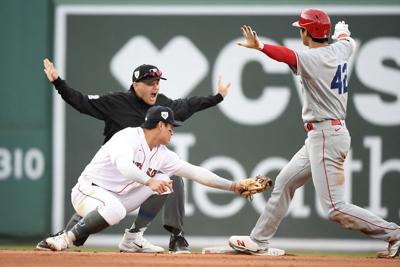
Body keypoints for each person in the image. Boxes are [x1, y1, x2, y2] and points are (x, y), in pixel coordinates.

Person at [228, 9, 400, 258]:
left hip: (326, 135)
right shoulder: (341, 49)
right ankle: (259, 240)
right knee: (285, 182)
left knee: (335, 208)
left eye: (301, 28)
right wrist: (342, 32)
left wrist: (260, 46)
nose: (300, 32)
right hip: (322, 134)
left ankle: (394, 232)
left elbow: (285, 55)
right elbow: (346, 41)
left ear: (308, 31)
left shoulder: (313, 58)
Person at [36, 59, 231, 253]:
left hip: (140, 171)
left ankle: (158, 236)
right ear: (135, 85)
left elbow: (189, 105)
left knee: (171, 178)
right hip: (112, 173)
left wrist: (217, 97)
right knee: (94, 219)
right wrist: (57, 82)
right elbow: (82, 102)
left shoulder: (161, 108)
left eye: (157, 82)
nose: (155, 86)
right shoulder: (116, 102)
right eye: (150, 83)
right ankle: (67, 234)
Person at [44, 105, 246, 251]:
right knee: (115, 209)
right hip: (88, 191)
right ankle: (66, 238)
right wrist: (150, 181)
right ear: (159, 125)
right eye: (170, 127)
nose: (172, 131)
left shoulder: (162, 153)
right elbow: (124, 167)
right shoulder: (128, 137)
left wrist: (234, 186)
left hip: (119, 198)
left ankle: (133, 237)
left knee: (169, 182)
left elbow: (195, 172)